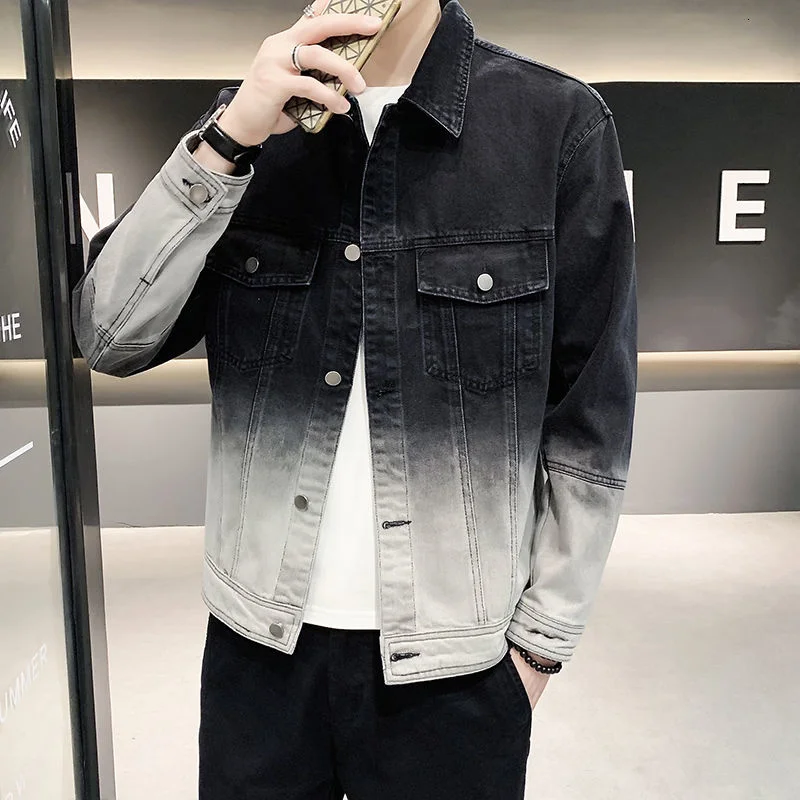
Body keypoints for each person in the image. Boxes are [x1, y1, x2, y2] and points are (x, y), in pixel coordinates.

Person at [72, 0, 637, 796]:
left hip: (456, 675)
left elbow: (592, 415)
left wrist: (538, 648)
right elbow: (108, 335)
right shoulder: (250, 124)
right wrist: (229, 142)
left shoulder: (556, 125)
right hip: (257, 660)